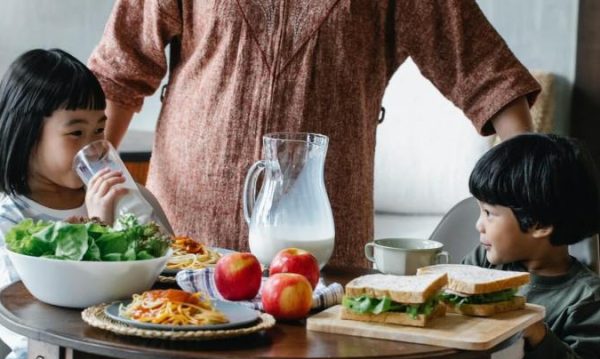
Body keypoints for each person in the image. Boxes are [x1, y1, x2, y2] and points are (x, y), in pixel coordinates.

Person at [89, 0, 541, 268]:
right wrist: (87, 195)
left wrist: (532, 196)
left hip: (324, 253)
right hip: (181, 240)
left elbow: (486, 73)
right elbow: (118, 70)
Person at [0, 48, 138, 359]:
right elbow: (28, 315)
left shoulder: (110, 198)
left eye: (99, 130)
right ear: (29, 134)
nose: (92, 146)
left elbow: (156, 265)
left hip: (123, 347)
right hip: (41, 354)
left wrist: (137, 206)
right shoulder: (11, 217)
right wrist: (96, 227)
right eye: (76, 133)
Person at [463, 134, 600, 359]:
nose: (478, 225)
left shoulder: (586, 300)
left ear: (539, 224)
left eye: (489, 213)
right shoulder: (484, 263)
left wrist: (536, 331)